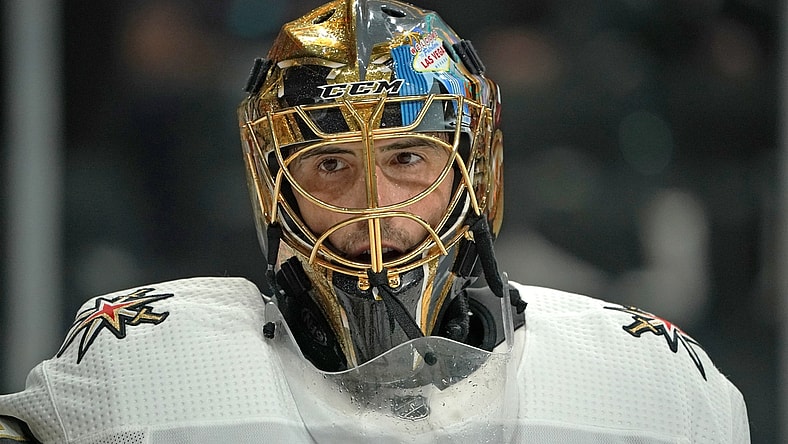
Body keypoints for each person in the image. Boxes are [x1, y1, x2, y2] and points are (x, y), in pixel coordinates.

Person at [0, 0, 749, 442]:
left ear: (471, 166)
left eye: (407, 158)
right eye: (329, 163)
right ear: (275, 186)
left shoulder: (651, 381)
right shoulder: (145, 366)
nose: (372, 198)